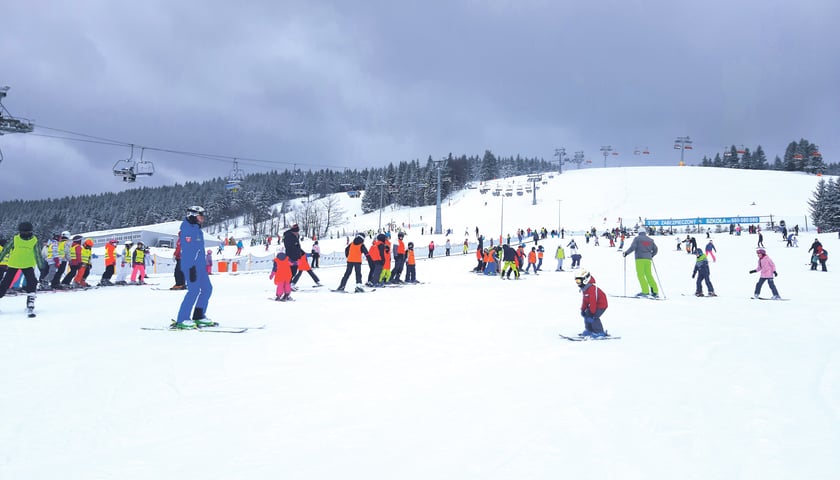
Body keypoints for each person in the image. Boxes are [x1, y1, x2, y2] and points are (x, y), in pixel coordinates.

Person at [173, 206, 214, 329]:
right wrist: (191, 268)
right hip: (191, 266)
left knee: (207, 289)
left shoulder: (197, 229)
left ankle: (199, 315)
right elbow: (189, 251)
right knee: (194, 291)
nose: (203, 218)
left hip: (200, 266)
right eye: (200, 216)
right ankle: (182, 319)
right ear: (193, 215)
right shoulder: (187, 230)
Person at [0, 222, 48, 317]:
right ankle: (30, 301)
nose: (25, 234)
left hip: (25, 264)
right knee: (6, 283)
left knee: (31, 282)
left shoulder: (32, 240)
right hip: (16, 264)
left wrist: (41, 267)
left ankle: (30, 302)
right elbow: (6, 250)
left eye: (27, 232)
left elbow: (37, 254)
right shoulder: (16, 239)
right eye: (23, 232)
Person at [623, 228, 659, 298]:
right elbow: (656, 249)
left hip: (639, 259)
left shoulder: (637, 239)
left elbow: (633, 247)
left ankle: (645, 291)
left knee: (641, 275)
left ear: (639, 232)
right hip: (648, 260)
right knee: (649, 275)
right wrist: (651, 255)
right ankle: (655, 290)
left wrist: (626, 253)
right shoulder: (650, 240)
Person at [575, 270, 608, 338]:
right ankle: (589, 330)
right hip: (595, 305)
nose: (578, 283)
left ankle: (599, 332)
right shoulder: (585, 288)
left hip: (601, 305)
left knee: (594, 317)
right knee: (587, 315)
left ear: (585, 280)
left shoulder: (592, 289)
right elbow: (585, 300)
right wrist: (583, 309)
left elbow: (593, 301)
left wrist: (593, 312)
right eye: (576, 281)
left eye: (579, 281)